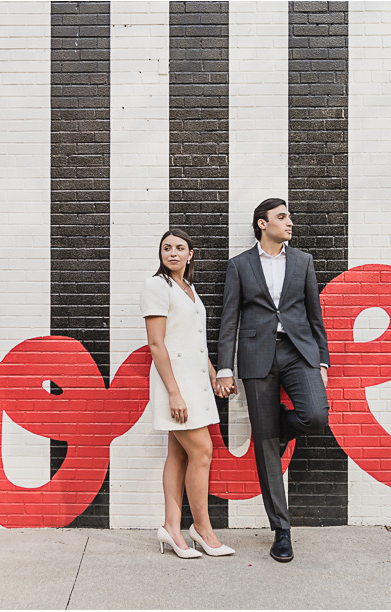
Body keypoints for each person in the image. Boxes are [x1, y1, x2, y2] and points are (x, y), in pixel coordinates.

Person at [214, 198, 330, 563]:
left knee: (315, 415)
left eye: (289, 217)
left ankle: (277, 423)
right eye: (282, 217)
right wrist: (224, 368)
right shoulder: (239, 266)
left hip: (298, 353)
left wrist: (323, 360)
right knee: (265, 447)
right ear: (262, 224)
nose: (289, 222)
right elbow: (229, 319)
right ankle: (281, 530)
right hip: (256, 356)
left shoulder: (303, 262)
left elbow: (315, 314)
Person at [140, 229, 235, 559]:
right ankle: (203, 530)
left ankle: (171, 528)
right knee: (203, 452)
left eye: (180, 248)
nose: (173, 253)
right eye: (166, 248)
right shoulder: (157, 286)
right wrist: (174, 393)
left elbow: (197, 343)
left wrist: (215, 377)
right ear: (161, 254)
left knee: (180, 454)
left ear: (190, 254)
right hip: (176, 383)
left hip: (195, 382)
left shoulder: (188, 288)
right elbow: (156, 343)